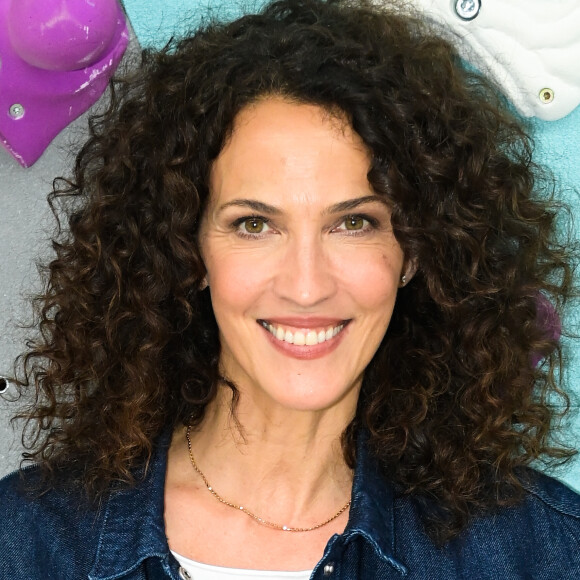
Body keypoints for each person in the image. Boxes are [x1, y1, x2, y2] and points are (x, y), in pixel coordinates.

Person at [1, 0, 579, 578]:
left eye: (354, 223)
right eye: (254, 225)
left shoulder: (541, 551)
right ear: (189, 246)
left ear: (415, 251)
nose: (306, 287)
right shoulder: (25, 544)